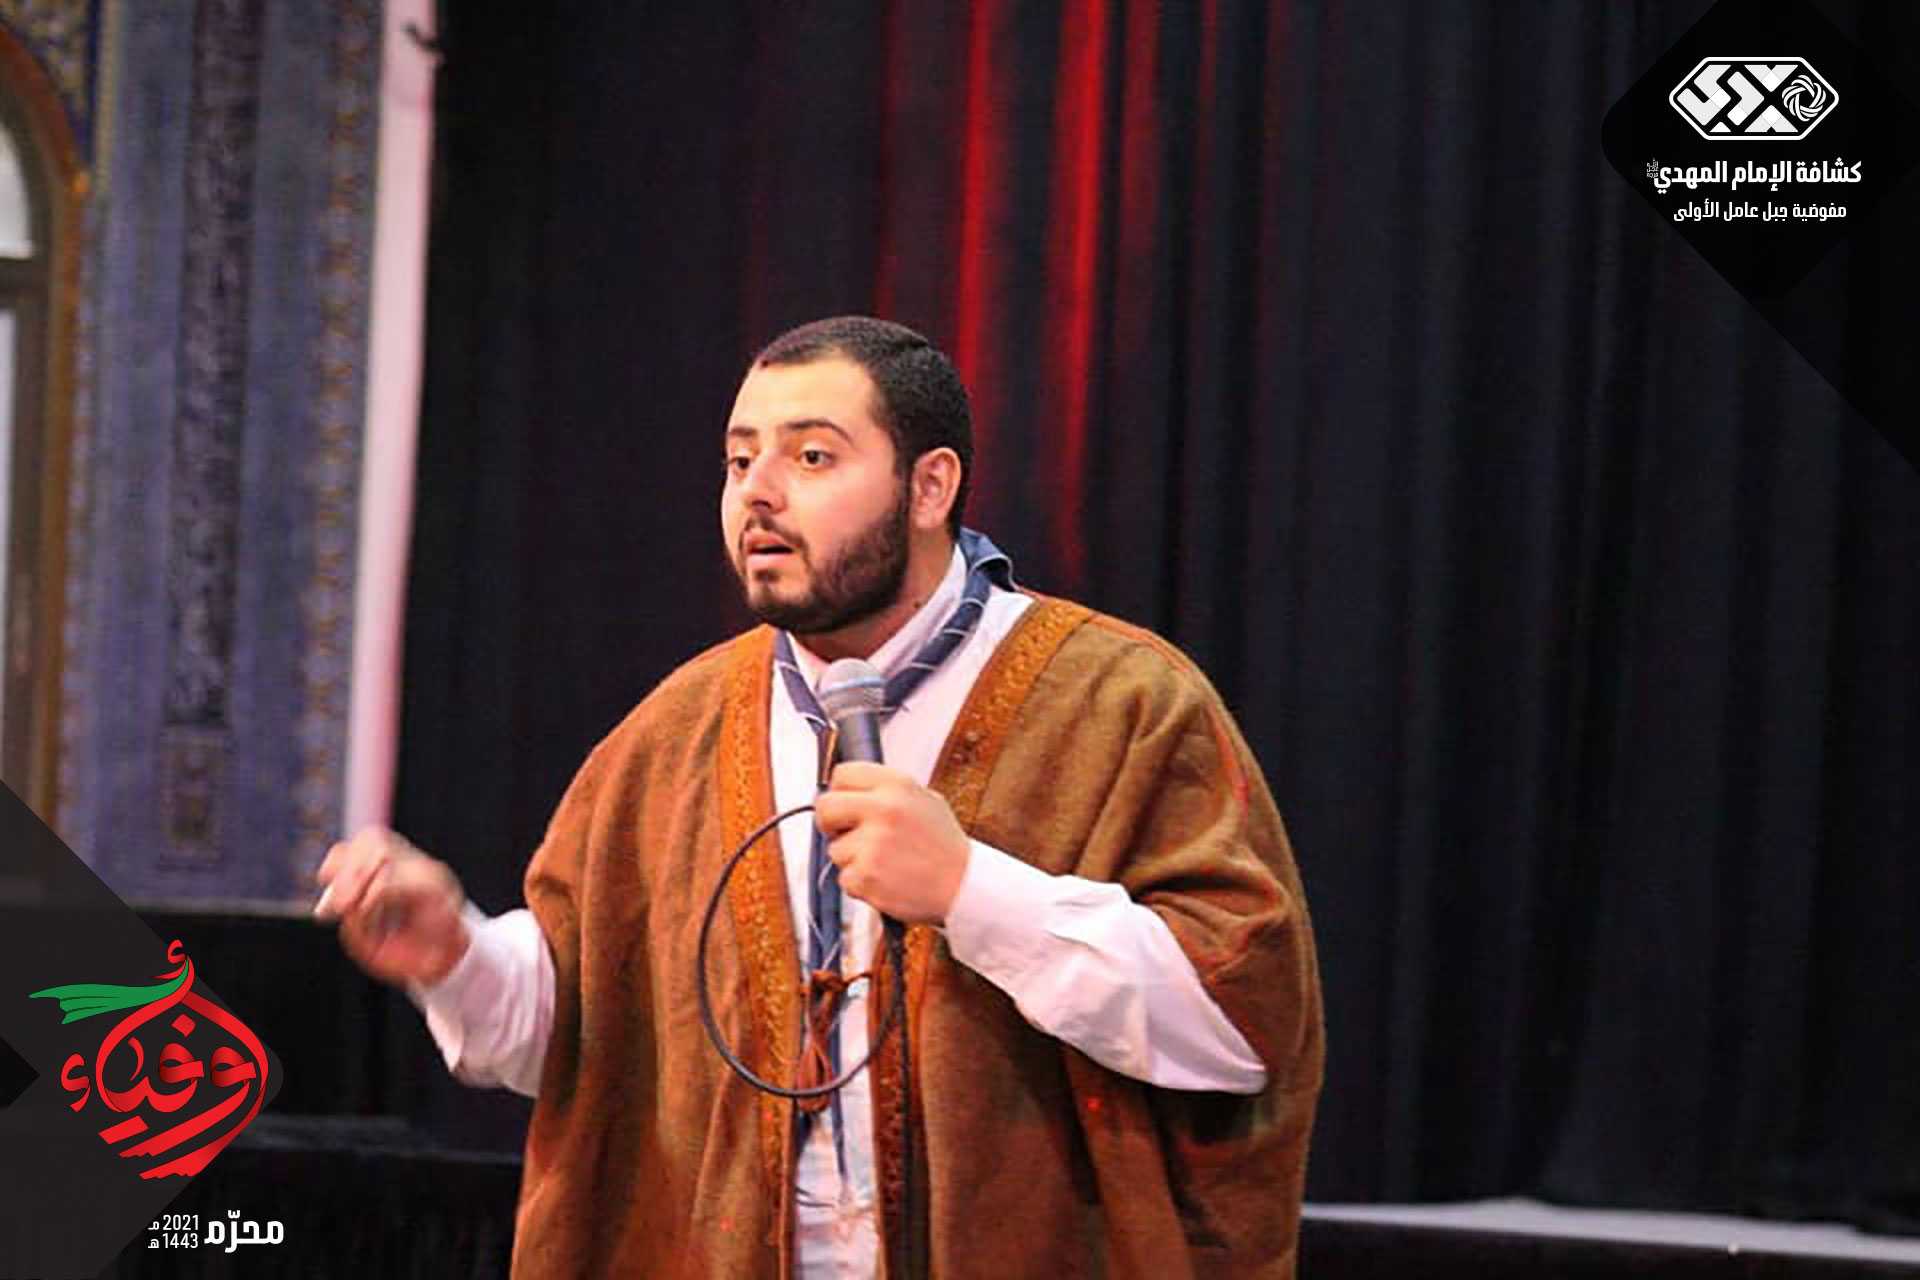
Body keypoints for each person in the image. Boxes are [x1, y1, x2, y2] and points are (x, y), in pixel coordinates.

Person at [316, 316, 1323, 1278]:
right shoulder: (676, 732)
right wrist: (454, 956)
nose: (757, 493)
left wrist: (970, 890)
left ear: (930, 487)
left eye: (810, 457)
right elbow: (582, 1048)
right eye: (738, 459)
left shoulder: (1123, 703)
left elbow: (1242, 1029)